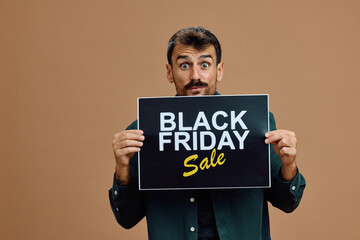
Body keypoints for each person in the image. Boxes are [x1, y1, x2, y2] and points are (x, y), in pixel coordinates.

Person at [109, 26, 306, 240]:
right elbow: (127, 218)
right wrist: (122, 169)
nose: (195, 76)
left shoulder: (254, 123)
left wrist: (289, 164)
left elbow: (287, 202)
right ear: (169, 72)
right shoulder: (144, 132)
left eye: (205, 64)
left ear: (219, 71)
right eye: (184, 65)